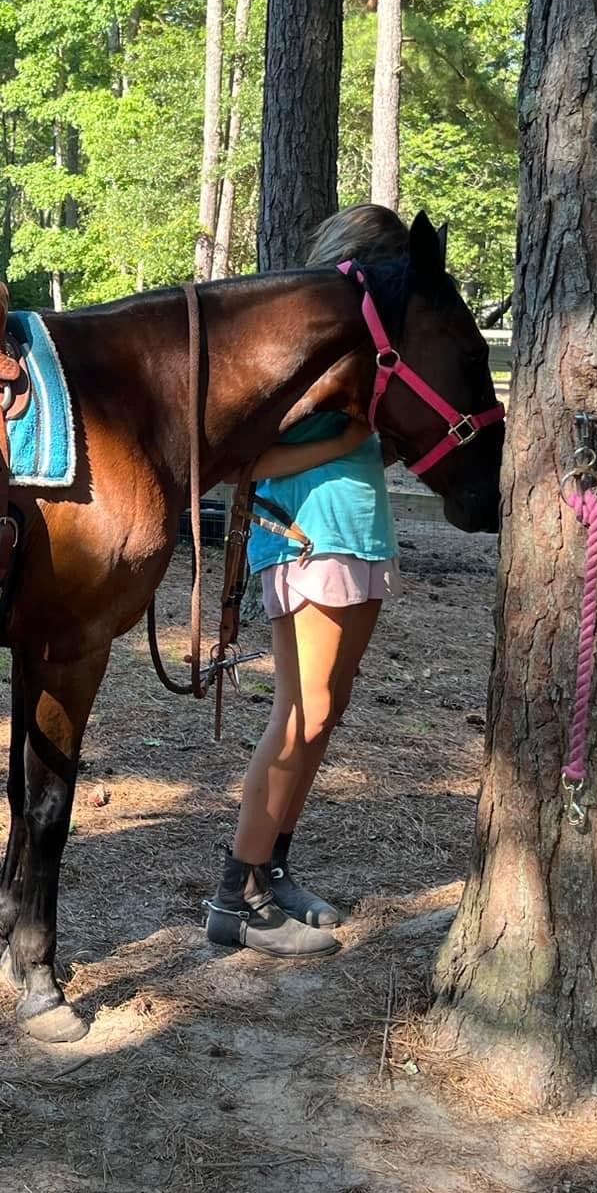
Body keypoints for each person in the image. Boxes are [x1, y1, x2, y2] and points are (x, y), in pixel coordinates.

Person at [205, 205, 409, 957]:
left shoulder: (360, 348)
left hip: (358, 532)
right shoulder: (292, 343)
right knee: (302, 711)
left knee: (326, 711)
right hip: (305, 538)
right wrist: (352, 437)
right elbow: (242, 461)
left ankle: (273, 867)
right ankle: (238, 894)